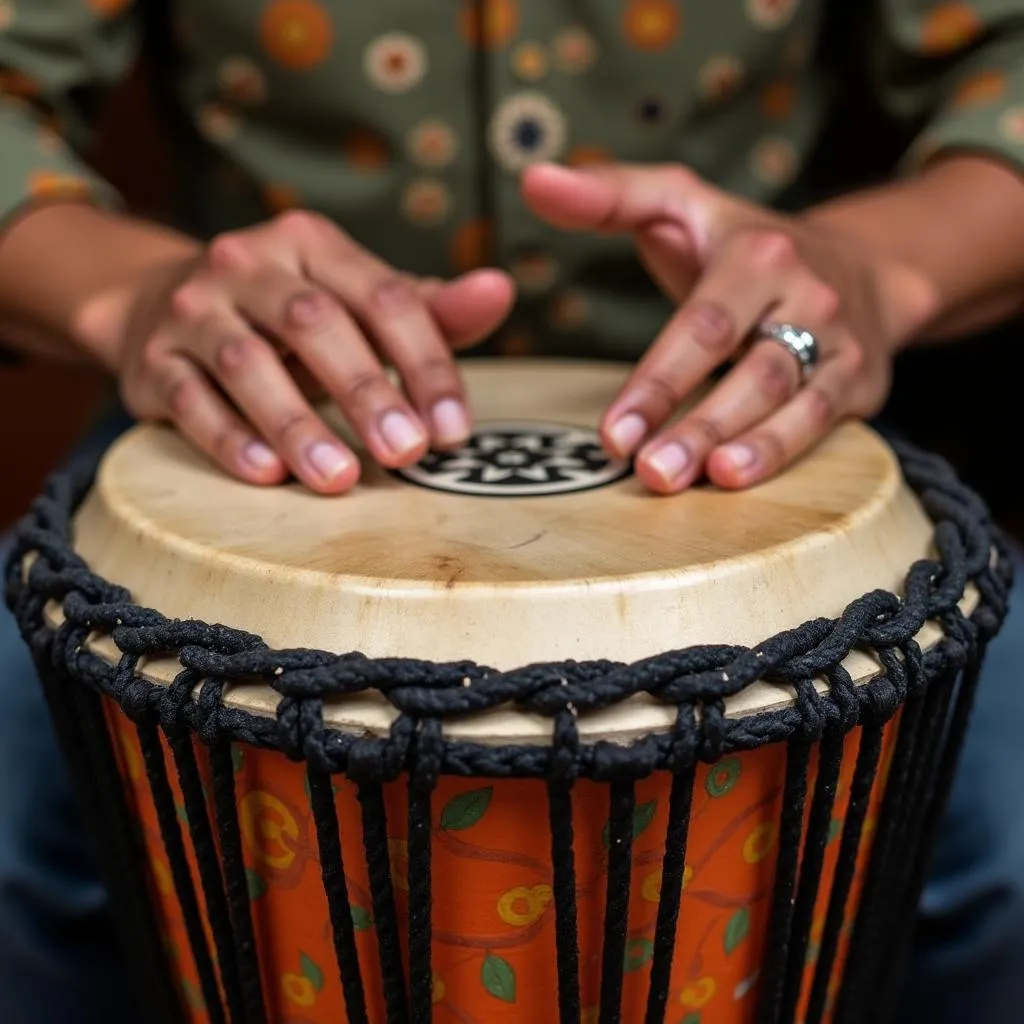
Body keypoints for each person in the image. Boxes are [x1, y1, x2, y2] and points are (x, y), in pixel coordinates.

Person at [0, 0, 1022, 1020]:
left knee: (1005, 868)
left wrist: (875, 269)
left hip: (762, 418)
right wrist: (134, 294)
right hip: (252, 418)